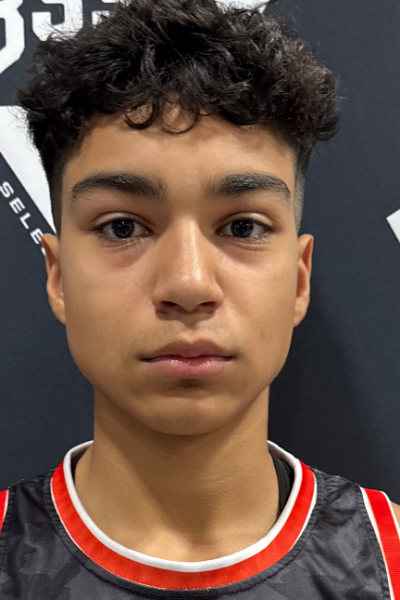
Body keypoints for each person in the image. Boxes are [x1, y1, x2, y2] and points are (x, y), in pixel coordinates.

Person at [0, 0, 399, 597]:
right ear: (57, 277)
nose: (188, 285)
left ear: (298, 279)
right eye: (122, 227)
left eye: (242, 227)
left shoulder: (389, 559)